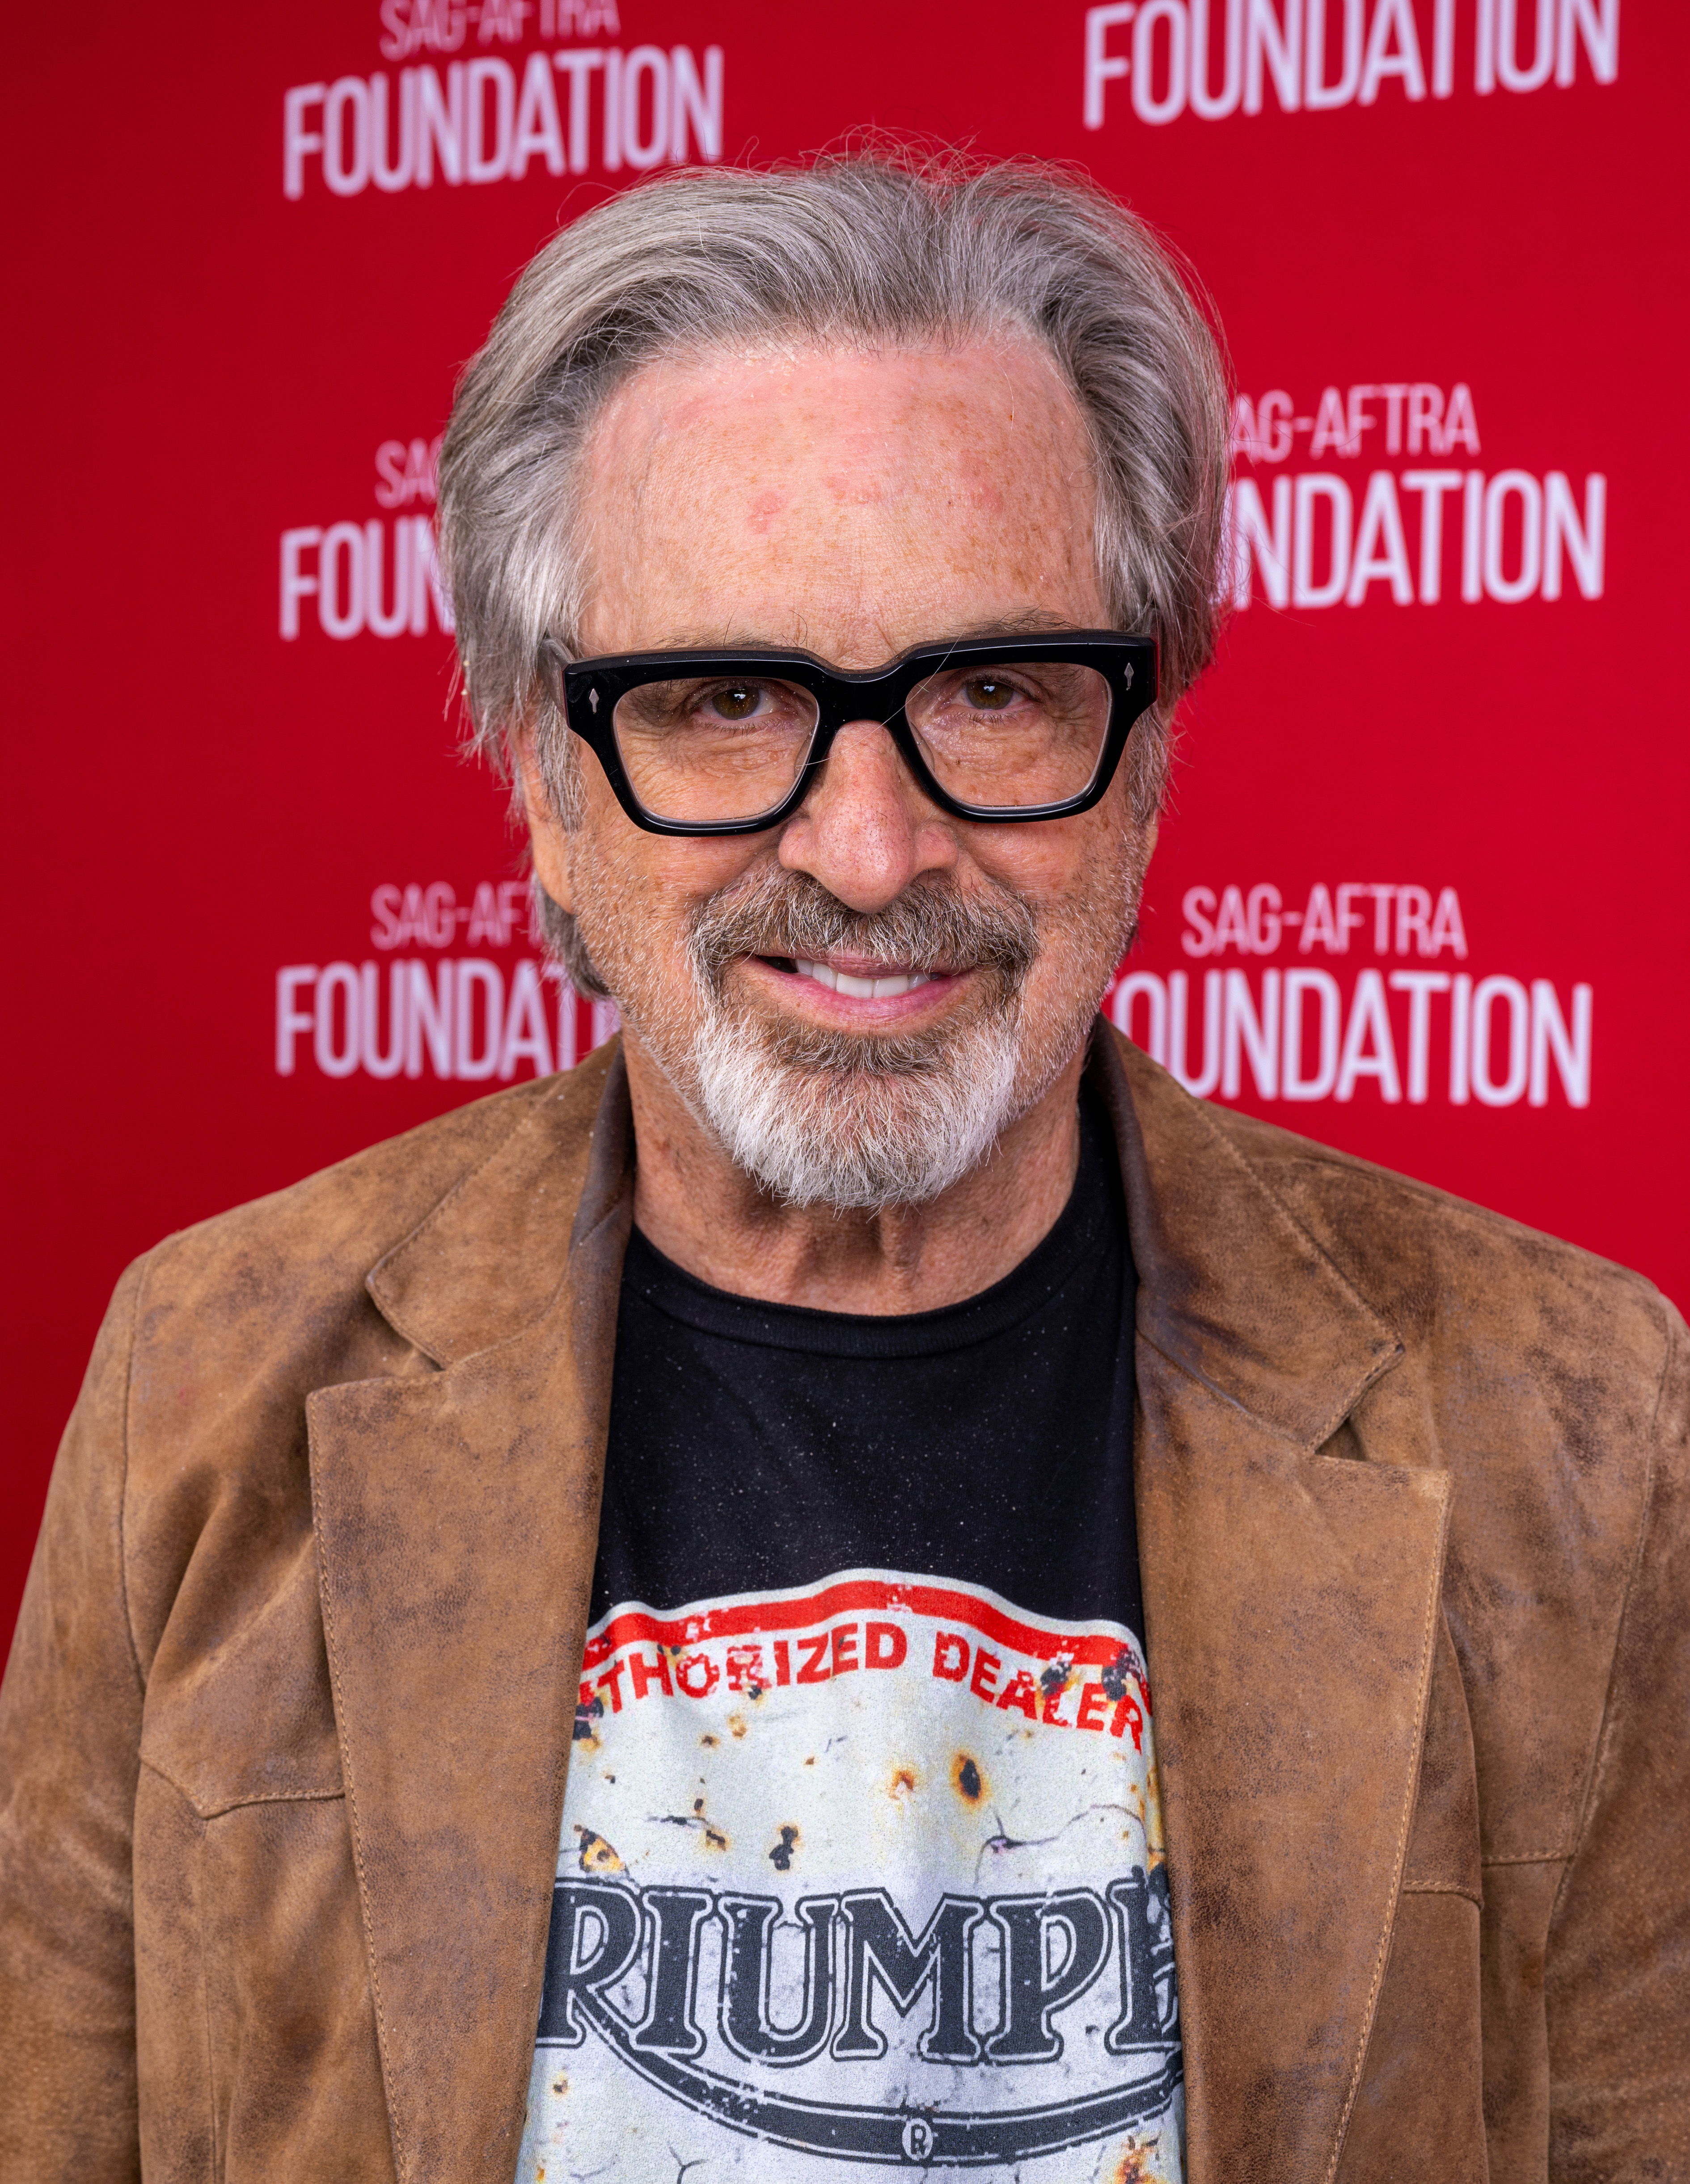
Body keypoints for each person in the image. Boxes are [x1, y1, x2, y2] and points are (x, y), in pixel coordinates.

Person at [0, 154, 1683, 2184]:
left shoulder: (1577, 1425)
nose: (871, 854)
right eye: (723, 701)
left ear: (1144, 757)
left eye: (992, 690)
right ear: (541, 773)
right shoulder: (206, 1381)